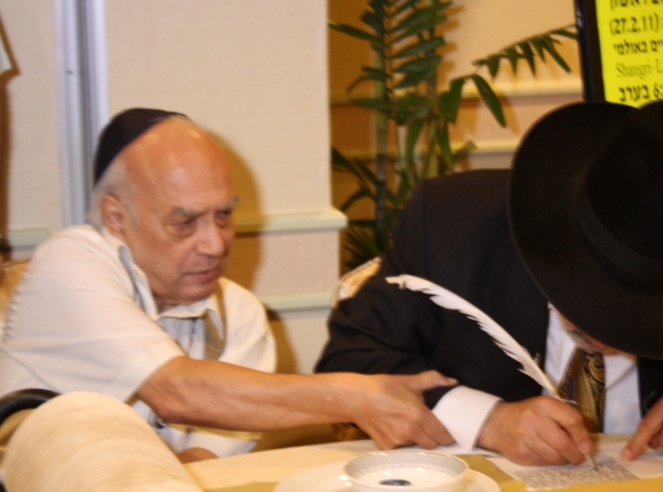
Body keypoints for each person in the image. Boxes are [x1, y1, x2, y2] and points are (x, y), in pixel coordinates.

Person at [316, 99, 663, 466]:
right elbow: (351, 362)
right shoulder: (449, 228)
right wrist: (488, 420)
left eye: (642, 314)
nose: (609, 333)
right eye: (596, 297)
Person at [0, 108, 454, 463]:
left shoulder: (240, 313)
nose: (215, 244)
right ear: (116, 219)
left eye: (223, 215)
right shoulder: (68, 261)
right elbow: (177, 392)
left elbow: (202, 465)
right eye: (184, 222)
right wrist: (357, 395)